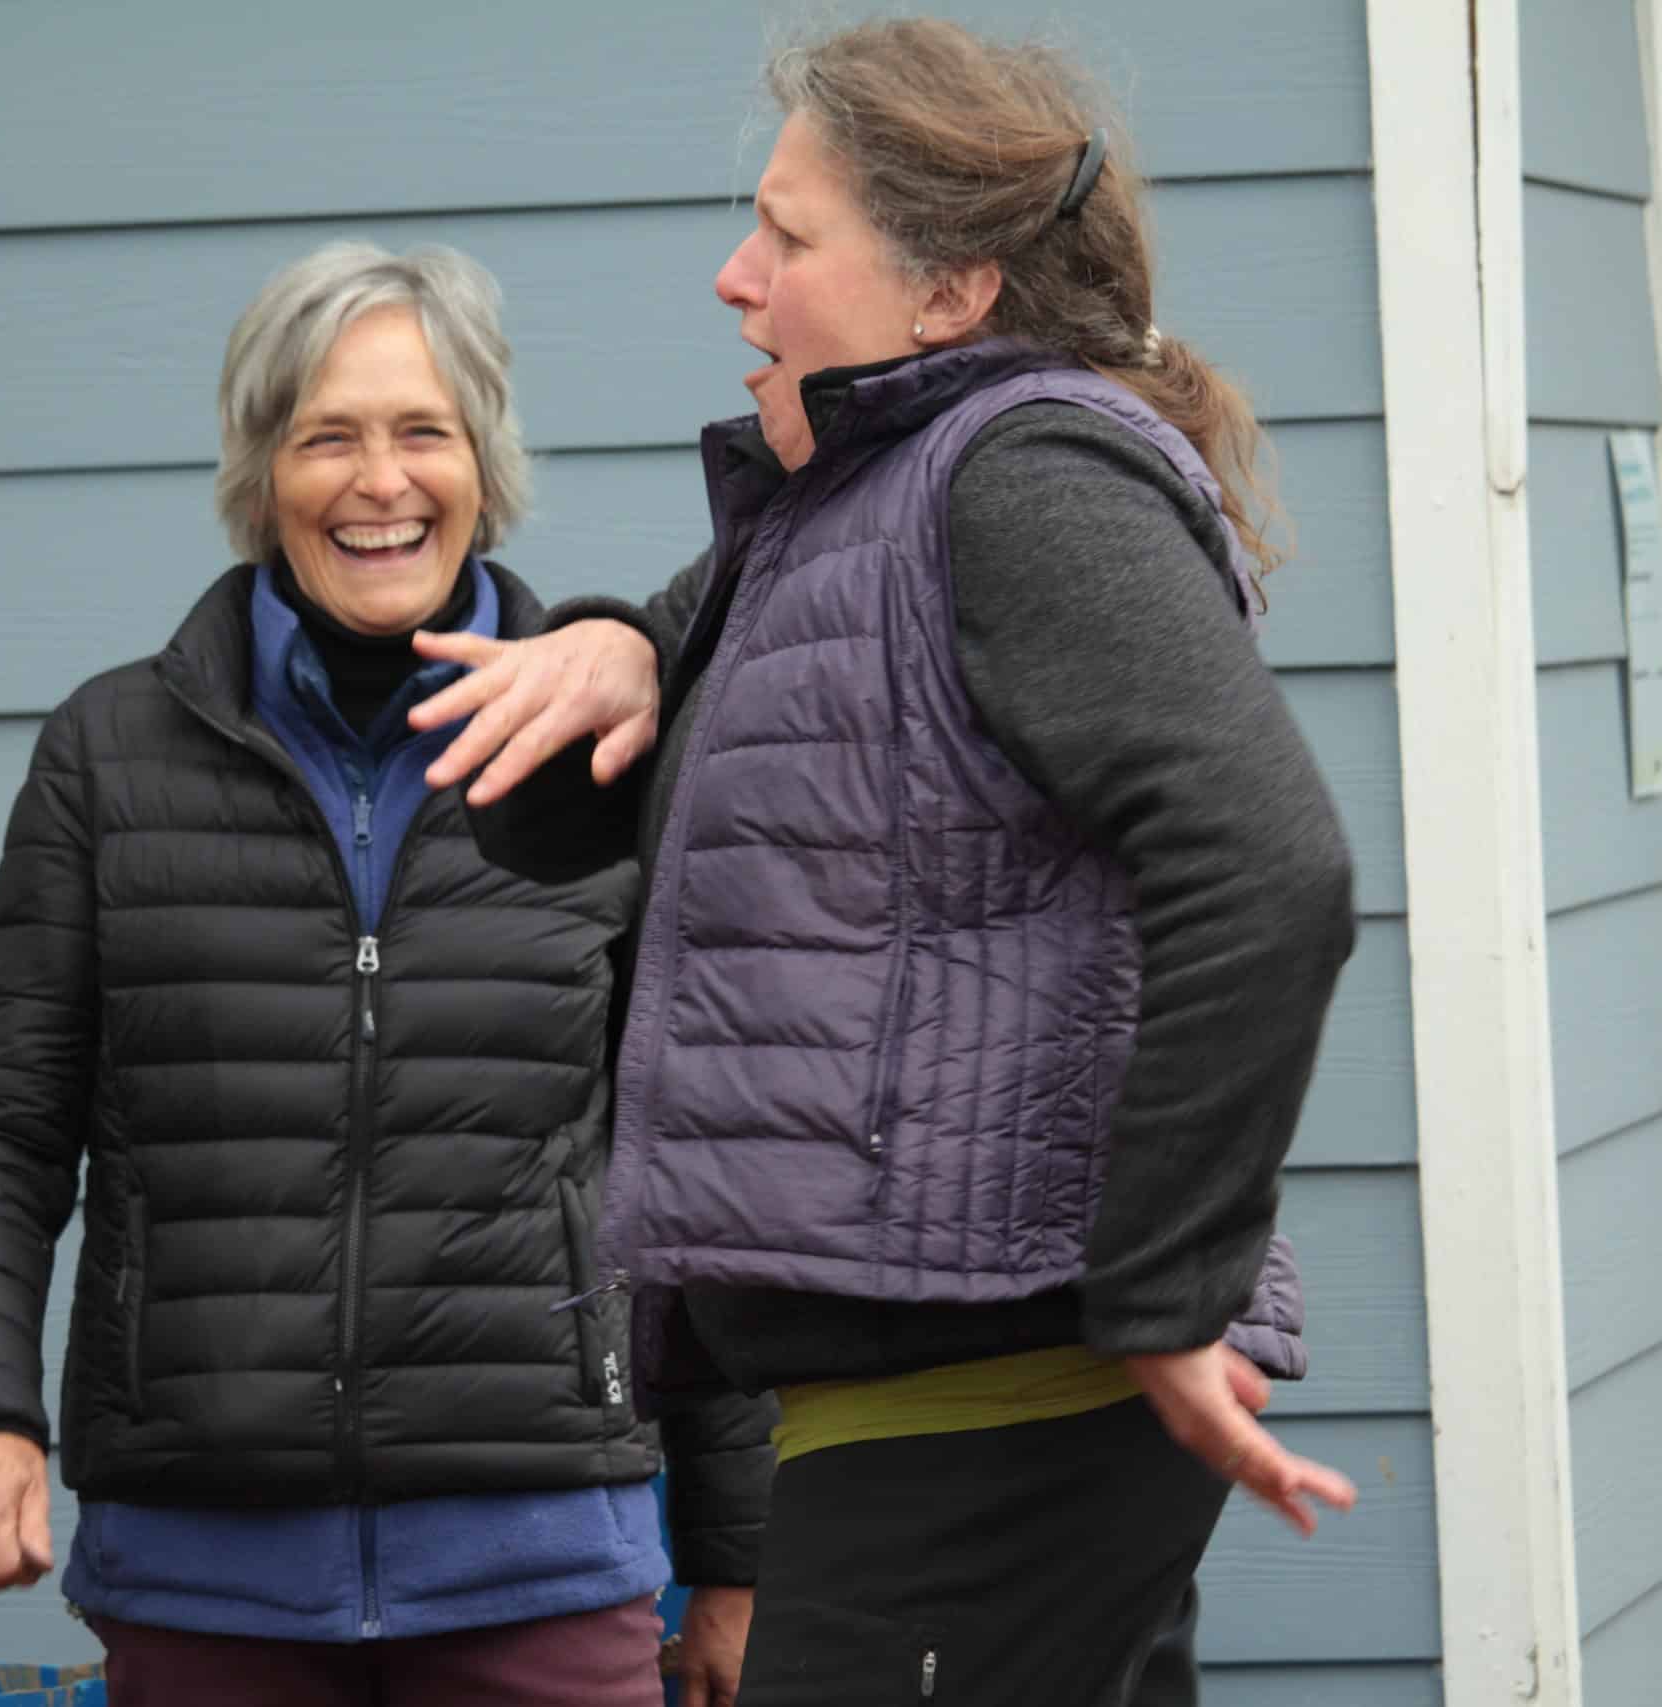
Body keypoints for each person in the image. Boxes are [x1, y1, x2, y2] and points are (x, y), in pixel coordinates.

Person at [408, 21, 1359, 1704]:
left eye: (788, 236)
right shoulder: (845, 509)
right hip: (918, 1404)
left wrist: (1168, 1286)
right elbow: (565, 816)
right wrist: (623, 644)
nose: (736, 278)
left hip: (1001, 1403)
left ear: (951, 291)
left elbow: (1268, 863)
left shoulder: (1026, 475)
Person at [0, 240, 772, 1707]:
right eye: (327, 438)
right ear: (262, 472)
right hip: (204, 1577)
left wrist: (739, 1550)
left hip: (543, 1565)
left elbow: (699, 1163)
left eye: (425, 431)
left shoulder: (607, 746)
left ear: (484, 463)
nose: (381, 483)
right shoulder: (109, 757)